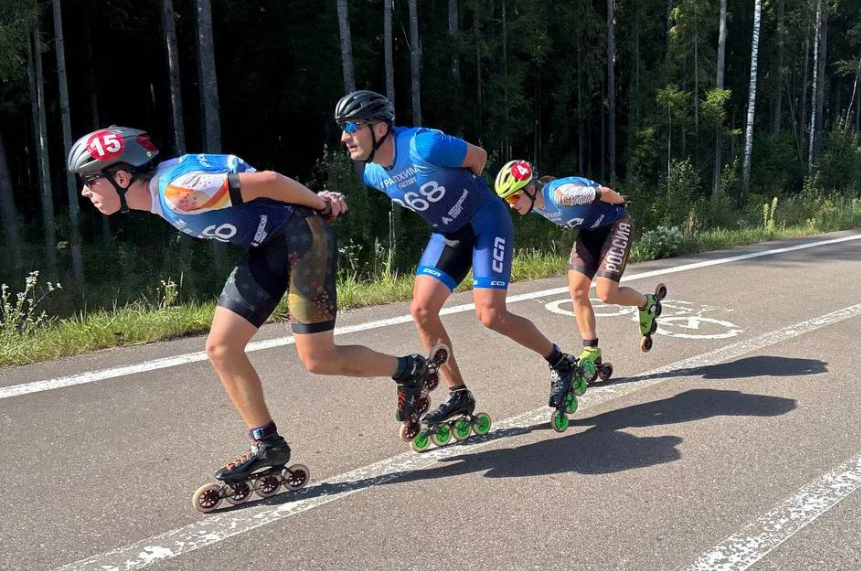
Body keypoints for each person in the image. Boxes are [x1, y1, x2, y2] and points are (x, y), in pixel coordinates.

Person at [67, 125, 444, 510]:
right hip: (270, 247)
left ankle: (408, 370)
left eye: (89, 181)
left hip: (302, 238)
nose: (86, 191)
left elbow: (266, 181)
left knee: (318, 359)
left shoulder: (179, 192)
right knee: (221, 348)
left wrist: (318, 202)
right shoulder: (167, 188)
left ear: (122, 175)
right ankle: (267, 444)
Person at [334, 91, 584, 441]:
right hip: (449, 234)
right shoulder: (372, 174)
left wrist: (467, 196)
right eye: (342, 128)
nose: (344, 136)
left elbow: (478, 158)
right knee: (421, 310)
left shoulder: (425, 145)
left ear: (379, 128)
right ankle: (458, 395)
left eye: (350, 126)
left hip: (485, 222)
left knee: (490, 315)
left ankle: (562, 362)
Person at [493, 160, 667, 381]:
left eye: (514, 197)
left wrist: (621, 201)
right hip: (589, 232)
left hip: (616, 224)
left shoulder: (563, 196)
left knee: (606, 293)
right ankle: (591, 350)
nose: (511, 205)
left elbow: (602, 192)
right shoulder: (535, 205)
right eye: (507, 199)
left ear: (530, 188)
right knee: (576, 290)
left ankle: (647, 303)